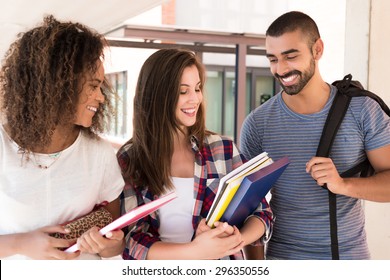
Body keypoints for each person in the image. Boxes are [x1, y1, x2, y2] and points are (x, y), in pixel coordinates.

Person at [240, 11, 390, 260]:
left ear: (317, 49)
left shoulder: (362, 110)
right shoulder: (257, 124)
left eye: (291, 56)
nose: (281, 69)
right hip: (283, 261)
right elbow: (247, 206)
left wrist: (343, 185)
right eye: (273, 59)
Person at [117, 48, 273, 260]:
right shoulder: (131, 158)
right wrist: (195, 251)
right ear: (158, 95)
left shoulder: (223, 149)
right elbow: (132, 238)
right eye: (183, 91)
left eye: (198, 88)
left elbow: (261, 212)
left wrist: (236, 239)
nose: (195, 99)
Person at [0, 15, 125, 260]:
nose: (100, 97)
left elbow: (116, 241)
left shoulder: (99, 153)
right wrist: (21, 243)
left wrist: (106, 243)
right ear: (59, 84)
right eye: (92, 85)